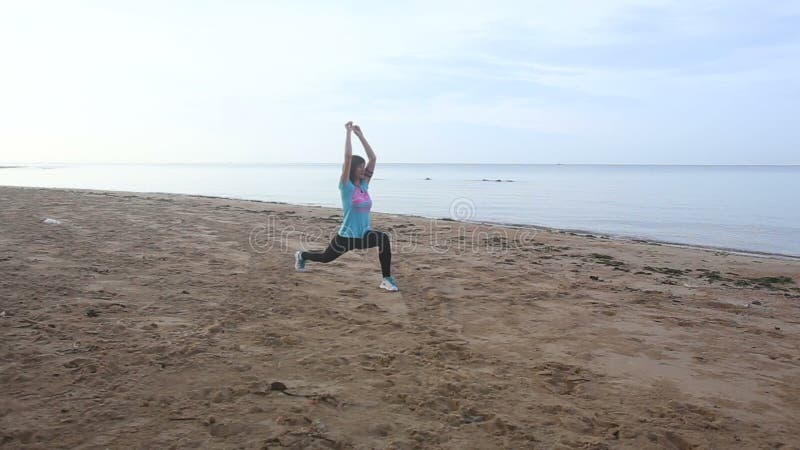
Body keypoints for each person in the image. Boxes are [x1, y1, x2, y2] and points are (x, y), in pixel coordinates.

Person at [294, 121, 399, 292]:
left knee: (383, 239)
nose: (363, 170)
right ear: (352, 169)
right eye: (359, 167)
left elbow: (373, 158)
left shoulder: (364, 186)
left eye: (363, 167)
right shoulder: (346, 187)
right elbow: (347, 158)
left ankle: (386, 279)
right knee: (325, 257)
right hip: (346, 237)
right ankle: (302, 255)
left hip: (364, 234)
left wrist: (361, 135)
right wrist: (348, 133)